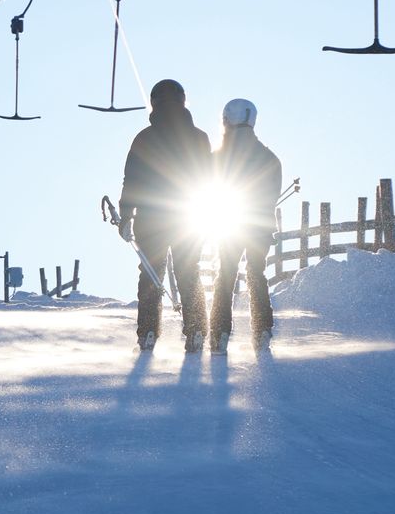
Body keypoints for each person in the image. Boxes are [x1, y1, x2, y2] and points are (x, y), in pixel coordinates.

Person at [118, 78, 213, 352]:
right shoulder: (199, 137)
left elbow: (131, 181)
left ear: (154, 103)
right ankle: (196, 330)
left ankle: (148, 331)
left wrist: (126, 216)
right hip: (189, 215)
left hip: (153, 217)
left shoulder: (145, 138)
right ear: (183, 101)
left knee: (151, 274)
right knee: (188, 271)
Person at [209, 98, 283, 354]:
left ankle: (219, 334)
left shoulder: (218, 157)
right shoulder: (269, 157)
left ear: (228, 119)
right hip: (260, 226)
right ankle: (262, 330)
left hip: (229, 223)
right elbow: (272, 193)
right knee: (256, 273)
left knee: (226, 275)